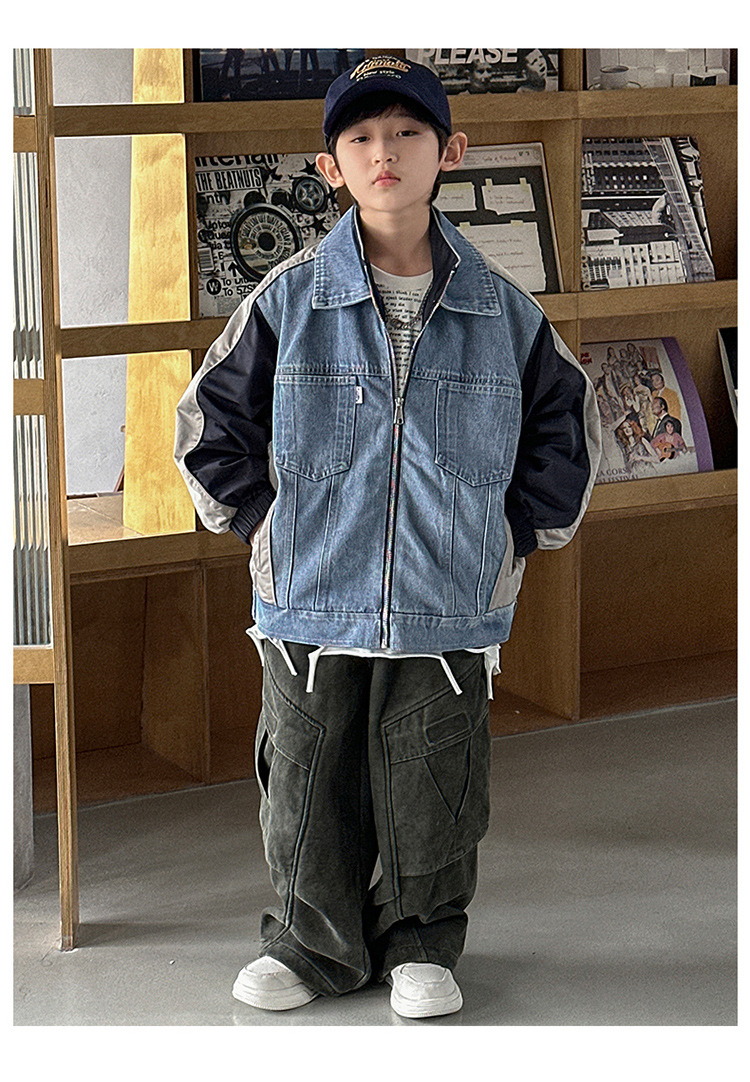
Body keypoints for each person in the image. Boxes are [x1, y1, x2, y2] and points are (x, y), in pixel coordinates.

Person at [174, 55, 602, 1019]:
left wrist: (507, 538)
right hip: (310, 600)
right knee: (306, 777)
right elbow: (208, 428)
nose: (385, 153)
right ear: (331, 167)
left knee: (435, 776)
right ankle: (312, 945)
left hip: (449, 601)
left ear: (449, 152)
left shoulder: (505, 310)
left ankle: (421, 941)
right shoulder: (286, 302)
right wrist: (268, 527)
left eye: (408, 133)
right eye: (361, 138)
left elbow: (565, 433)